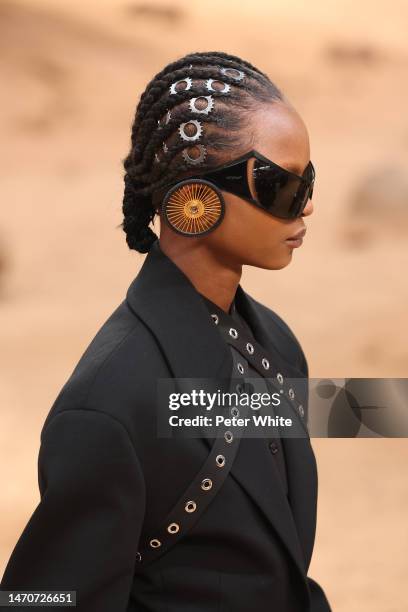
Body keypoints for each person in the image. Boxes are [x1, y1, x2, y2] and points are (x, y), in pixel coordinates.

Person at [0, 51, 331, 611]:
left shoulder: (273, 344)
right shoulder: (109, 403)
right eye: (281, 186)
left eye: (308, 181)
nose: (308, 206)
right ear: (194, 200)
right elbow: (41, 598)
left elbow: (256, 444)